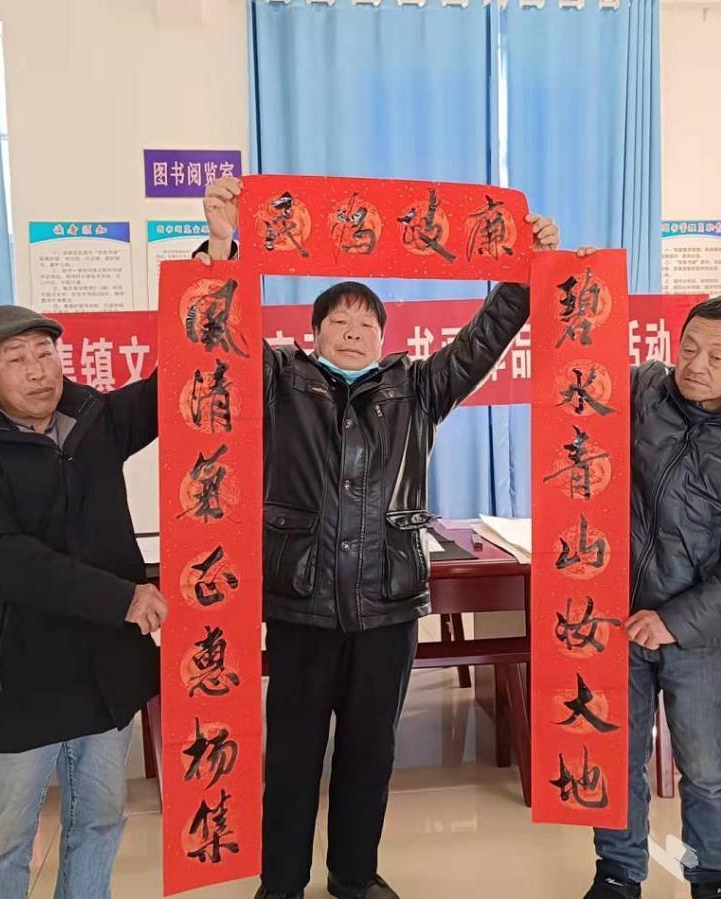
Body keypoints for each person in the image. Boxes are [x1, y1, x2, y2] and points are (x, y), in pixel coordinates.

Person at [198, 176, 572, 899]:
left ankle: (354, 876)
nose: (351, 330)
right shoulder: (278, 381)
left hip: (387, 605)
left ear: (384, 337)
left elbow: (483, 341)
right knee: (293, 755)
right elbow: (218, 331)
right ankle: (280, 883)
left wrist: (528, 273)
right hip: (302, 602)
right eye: (337, 320)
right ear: (313, 335)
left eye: (366, 322)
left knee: (370, 752)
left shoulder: (417, 390)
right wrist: (221, 246)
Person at [0, 305, 167, 899]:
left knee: (100, 821)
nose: (38, 371)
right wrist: (120, 597)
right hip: (22, 676)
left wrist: (214, 273)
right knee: (3, 841)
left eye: (45, 353)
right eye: (17, 359)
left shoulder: (92, 418)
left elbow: (182, 383)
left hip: (106, 670)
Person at [584, 297, 721, 899]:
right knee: (616, 755)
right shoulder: (640, 390)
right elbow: (571, 374)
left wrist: (675, 621)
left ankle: (713, 878)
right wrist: (563, 275)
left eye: (716, 356)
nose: (695, 365)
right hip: (614, 619)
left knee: (705, 767)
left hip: (697, 634)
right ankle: (617, 872)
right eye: (688, 348)